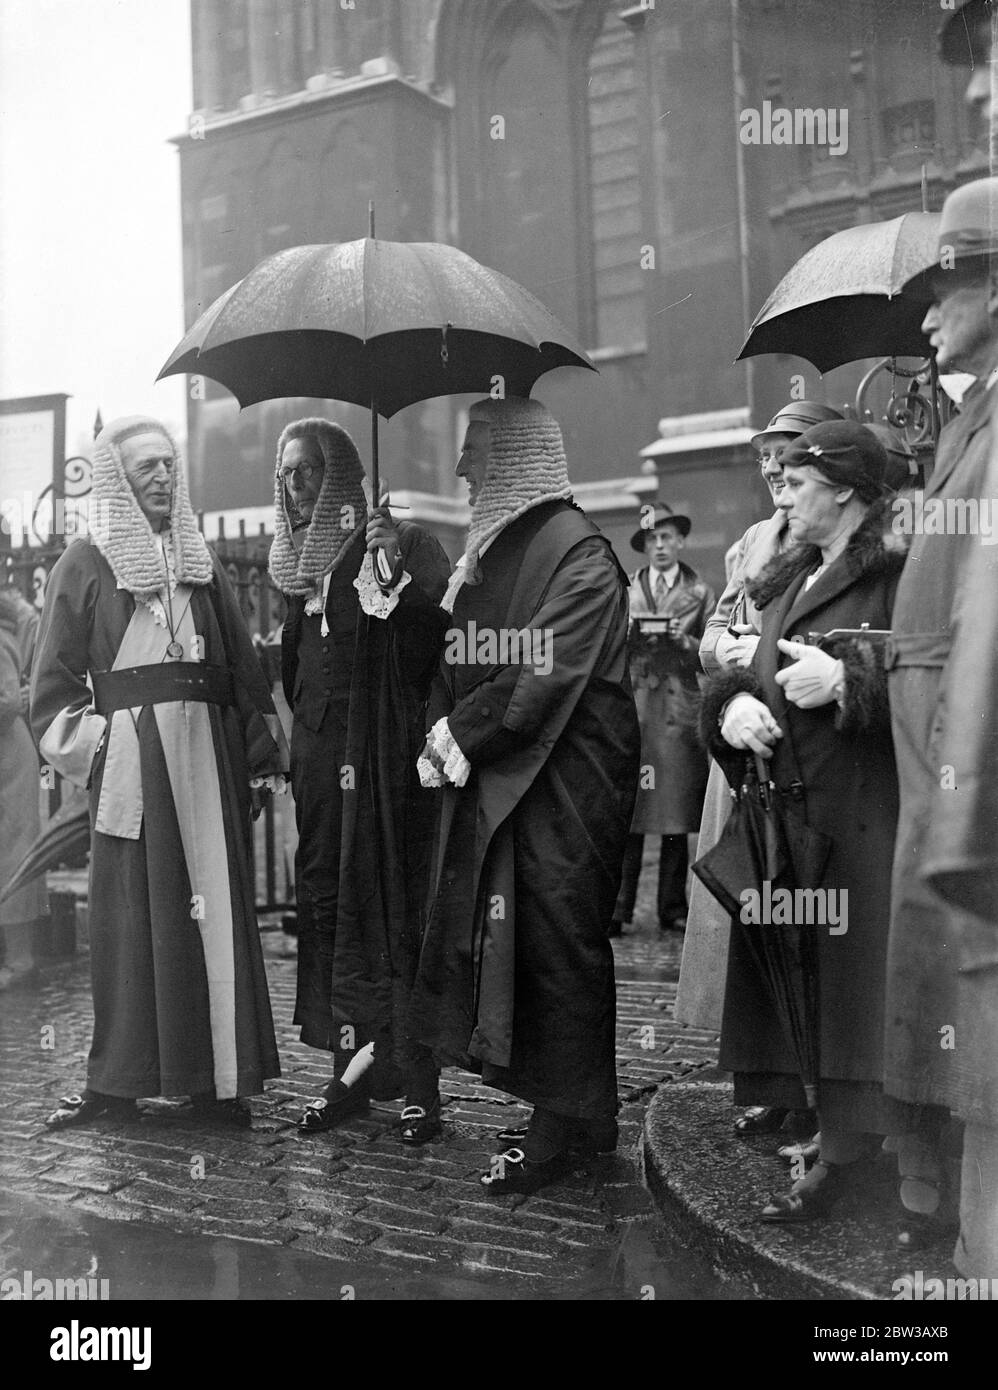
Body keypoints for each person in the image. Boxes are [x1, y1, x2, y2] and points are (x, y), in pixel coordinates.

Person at [409, 395, 640, 1194]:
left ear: (514, 458)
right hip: (517, 772)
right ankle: (570, 1113)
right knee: (526, 942)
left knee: (559, 939)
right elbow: (457, 657)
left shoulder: (579, 553)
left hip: (568, 778)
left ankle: (568, 1129)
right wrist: (441, 716)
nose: (463, 467)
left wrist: (458, 735)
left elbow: (543, 671)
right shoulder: (499, 550)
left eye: (477, 451)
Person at [701, 420, 930, 1222]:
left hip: (866, 818)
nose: (783, 494)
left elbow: (947, 670)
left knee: (860, 992)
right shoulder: (789, 572)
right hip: (788, 819)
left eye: (796, 481)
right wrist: (729, 709)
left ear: (842, 488)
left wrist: (851, 678)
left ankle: (874, 1165)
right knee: (810, 991)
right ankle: (840, 1149)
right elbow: (736, 663)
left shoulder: (905, 567)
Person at [31, 416, 288, 1129]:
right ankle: (118, 1082)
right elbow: (49, 689)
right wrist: (103, 747)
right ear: (118, 478)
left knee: (208, 917)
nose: (164, 477)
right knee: (132, 923)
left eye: (170, 465)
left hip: (205, 757)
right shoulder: (83, 562)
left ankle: (214, 1082)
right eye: (147, 467)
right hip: (129, 764)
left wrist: (258, 756)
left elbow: (241, 667)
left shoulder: (200, 564)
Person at [271, 418, 452, 1141]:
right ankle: (349, 1074)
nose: (297, 486)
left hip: (380, 765)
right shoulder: (297, 568)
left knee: (391, 909)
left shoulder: (403, 545)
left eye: (310, 470)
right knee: (329, 908)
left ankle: (417, 1082)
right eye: (287, 474)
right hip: (321, 767)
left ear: (340, 474)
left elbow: (433, 647)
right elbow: (292, 669)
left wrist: (391, 579)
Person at [885, 176, 998, 1274]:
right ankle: (964, 1230)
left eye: (946, 285)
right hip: (928, 716)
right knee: (937, 981)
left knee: (968, 970)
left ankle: (981, 1252)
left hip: (965, 727)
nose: (925, 313)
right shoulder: (968, 414)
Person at [678, 401, 842, 1090]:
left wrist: (764, 650)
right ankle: (763, 1074)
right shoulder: (750, 542)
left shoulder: (829, 540)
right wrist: (733, 650)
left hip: (799, 741)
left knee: (799, 908)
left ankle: (805, 1081)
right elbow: (713, 630)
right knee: (745, 899)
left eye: (787, 451)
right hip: (739, 740)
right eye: (764, 455)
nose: (773, 466)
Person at [613, 504, 715, 935]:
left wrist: (686, 639)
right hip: (636, 704)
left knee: (674, 811)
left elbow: (714, 648)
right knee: (630, 811)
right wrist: (631, 635)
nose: (660, 546)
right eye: (652, 539)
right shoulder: (627, 590)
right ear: (644, 547)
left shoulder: (701, 593)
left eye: (667, 538)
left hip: (676, 708)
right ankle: (619, 909)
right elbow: (609, 641)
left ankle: (672, 907)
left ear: (680, 543)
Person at [0, 587, 46, 991]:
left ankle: (21, 960)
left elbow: (7, 699)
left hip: (8, 757)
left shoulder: (9, 621)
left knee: (14, 853)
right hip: (9, 749)